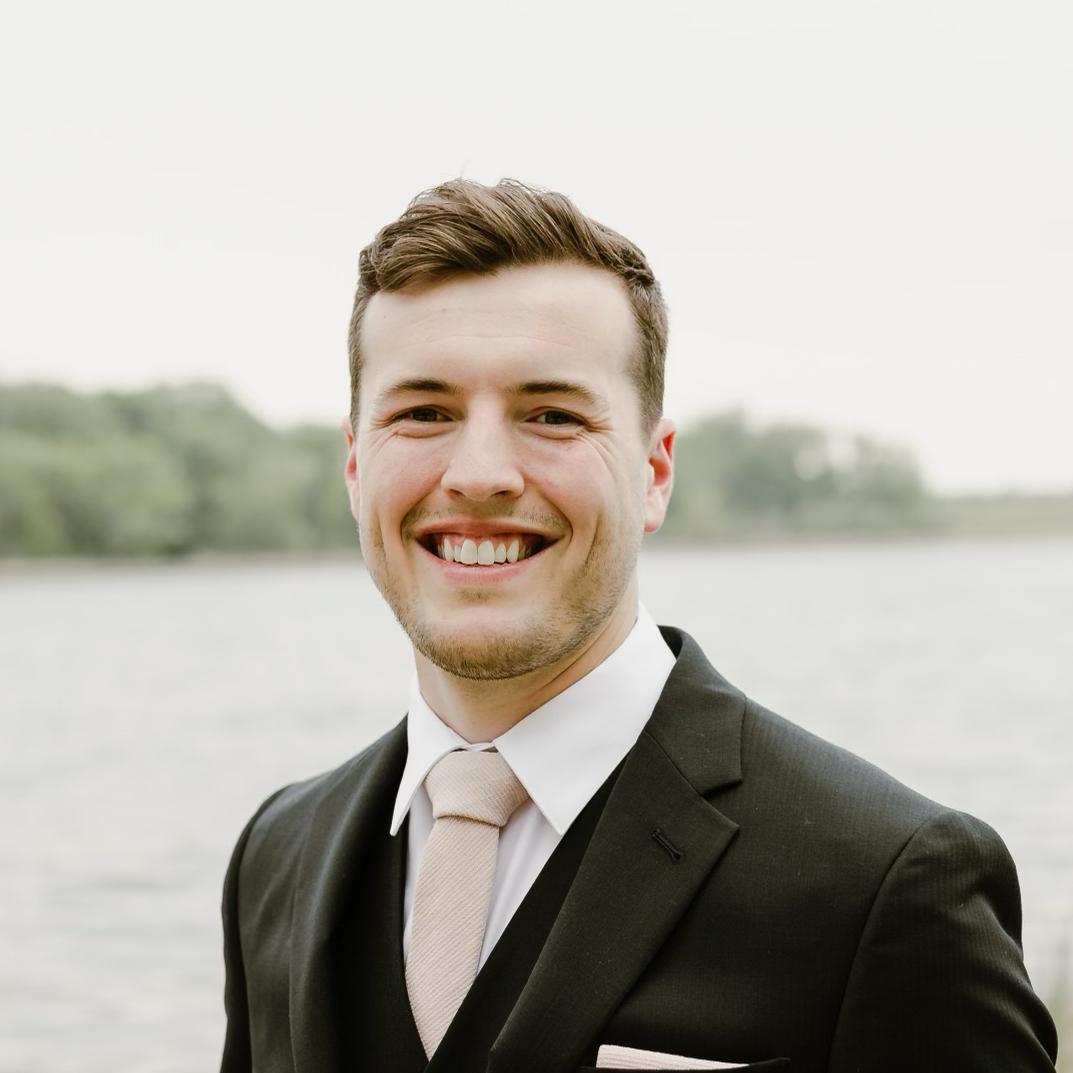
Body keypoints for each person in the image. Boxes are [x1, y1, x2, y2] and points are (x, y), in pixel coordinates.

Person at [219, 179, 1058, 1072]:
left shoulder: (887, 878)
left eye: (551, 415)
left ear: (653, 472)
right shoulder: (278, 850)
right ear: (355, 465)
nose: (479, 472)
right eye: (424, 412)